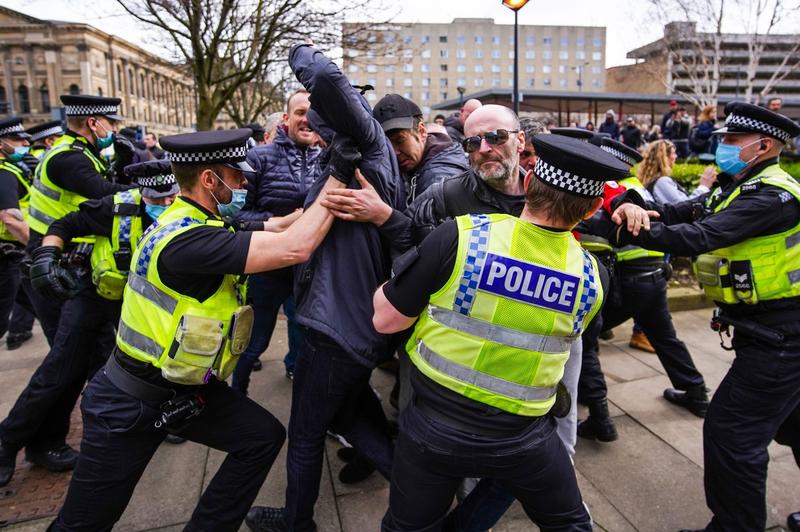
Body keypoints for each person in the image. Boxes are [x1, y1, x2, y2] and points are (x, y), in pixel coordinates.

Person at [50, 127, 358, 531]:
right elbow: (295, 247)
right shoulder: (190, 242)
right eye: (237, 176)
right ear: (210, 180)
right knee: (84, 524)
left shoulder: (192, 219)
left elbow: (278, 229)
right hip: (129, 404)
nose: (246, 183)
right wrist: (339, 171)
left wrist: (297, 214)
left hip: (182, 389)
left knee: (260, 437)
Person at [373, 133, 629, 531]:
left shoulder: (463, 236)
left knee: (407, 527)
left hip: (433, 430)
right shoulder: (594, 276)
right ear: (594, 207)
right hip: (523, 439)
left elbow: (386, 321)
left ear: (528, 183)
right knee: (571, 524)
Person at [611, 101, 800, 532]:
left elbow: (701, 235)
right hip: (769, 330)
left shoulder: (772, 195)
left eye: (732, 141)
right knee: (793, 427)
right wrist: (630, 204)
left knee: (731, 433)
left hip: (783, 335)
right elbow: (682, 212)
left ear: (763, 145)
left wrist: (634, 229)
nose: (724, 148)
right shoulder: (738, 184)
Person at [244, 44, 404, 532]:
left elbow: (327, 80)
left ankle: (297, 524)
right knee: (353, 419)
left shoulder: (368, 143)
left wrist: (298, 53)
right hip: (338, 318)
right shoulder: (340, 153)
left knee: (307, 432)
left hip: (336, 326)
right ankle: (426, 498)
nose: (313, 121)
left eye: (318, 113)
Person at [0, 159, 181, 487]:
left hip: (137, 306)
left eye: (171, 197)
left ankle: (157, 420)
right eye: (156, 200)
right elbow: (63, 225)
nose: (165, 205)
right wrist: (46, 256)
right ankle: (6, 442)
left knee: (142, 368)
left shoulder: (184, 210)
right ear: (142, 194)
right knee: (59, 372)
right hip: (93, 296)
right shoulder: (116, 208)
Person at [579, 137, 710, 426]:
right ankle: (696, 391)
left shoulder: (613, 190)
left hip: (629, 277)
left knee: (585, 336)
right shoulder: (634, 186)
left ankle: (596, 409)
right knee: (664, 336)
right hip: (654, 274)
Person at [232, 90, 321, 392]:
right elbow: (235, 217)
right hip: (267, 268)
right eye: (300, 112)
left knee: (305, 334)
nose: (307, 119)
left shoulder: (330, 160)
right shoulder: (257, 157)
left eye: (314, 112)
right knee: (254, 342)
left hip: (308, 269)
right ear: (286, 118)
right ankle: (237, 393)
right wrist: (276, 224)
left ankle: (297, 374)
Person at [25, 95, 131, 344]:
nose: (114, 129)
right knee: (72, 347)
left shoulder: (78, 150)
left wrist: (122, 162)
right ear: (93, 123)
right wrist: (153, 189)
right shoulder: (69, 158)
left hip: (66, 250)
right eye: (111, 123)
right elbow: (106, 194)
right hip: (59, 255)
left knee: (96, 341)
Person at [373, 93, 468, 203]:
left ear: (422, 131)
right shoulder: (420, 165)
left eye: (400, 140)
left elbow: (429, 220)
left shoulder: (438, 178)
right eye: (386, 146)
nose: (394, 152)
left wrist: (385, 215)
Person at [0, 117, 32, 354]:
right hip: (8, 254)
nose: (24, 143)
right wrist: (37, 247)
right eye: (17, 139)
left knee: (37, 306)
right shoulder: (4, 174)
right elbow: (9, 217)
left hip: (13, 254)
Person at [639, 139, 716, 205]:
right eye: (673, 153)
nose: (676, 156)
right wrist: (704, 186)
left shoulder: (657, 180)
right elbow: (683, 207)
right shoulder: (662, 182)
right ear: (664, 158)